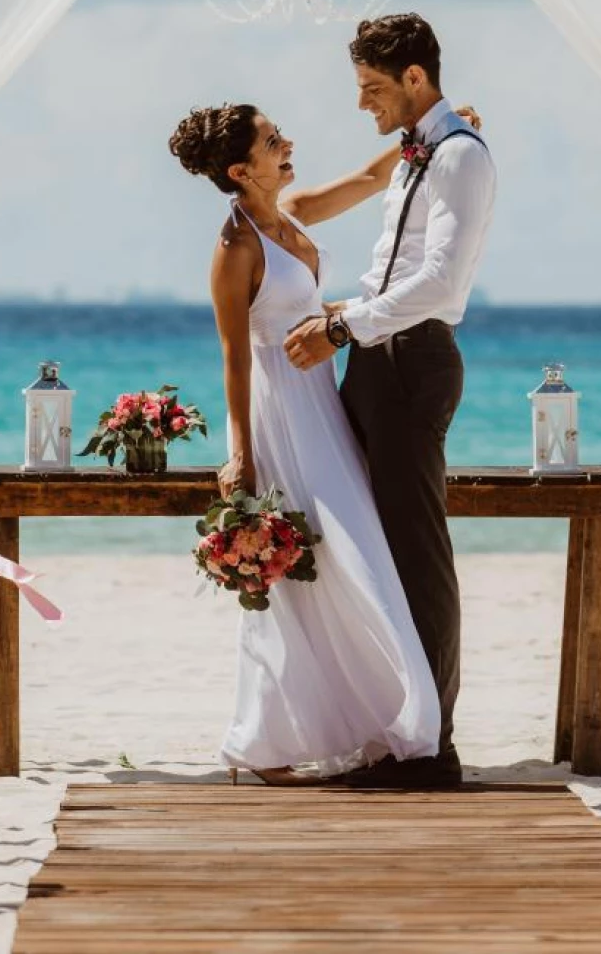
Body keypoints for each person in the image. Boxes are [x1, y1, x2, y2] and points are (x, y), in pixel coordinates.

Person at [169, 101, 442, 783]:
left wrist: (429, 133)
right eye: (271, 141)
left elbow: (368, 178)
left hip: (323, 402)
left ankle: (372, 719)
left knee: (355, 558)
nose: (287, 142)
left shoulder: (288, 214)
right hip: (280, 413)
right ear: (240, 169)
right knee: (305, 572)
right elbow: (234, 357)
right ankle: (269, 743)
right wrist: (240, 453)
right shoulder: (235, 248)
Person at [283, 13, 497, 789]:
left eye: (374, 89)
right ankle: (393, 730)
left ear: (416, 79)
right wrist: (348, 318)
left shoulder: (461, 159)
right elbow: (392, 268)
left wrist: (342, 327)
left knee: (416, 552)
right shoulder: (416, 154)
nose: (364, 105)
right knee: (370, 549)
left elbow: (440, 283)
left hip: (413, 361)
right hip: (377, 354)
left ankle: (434, 752)